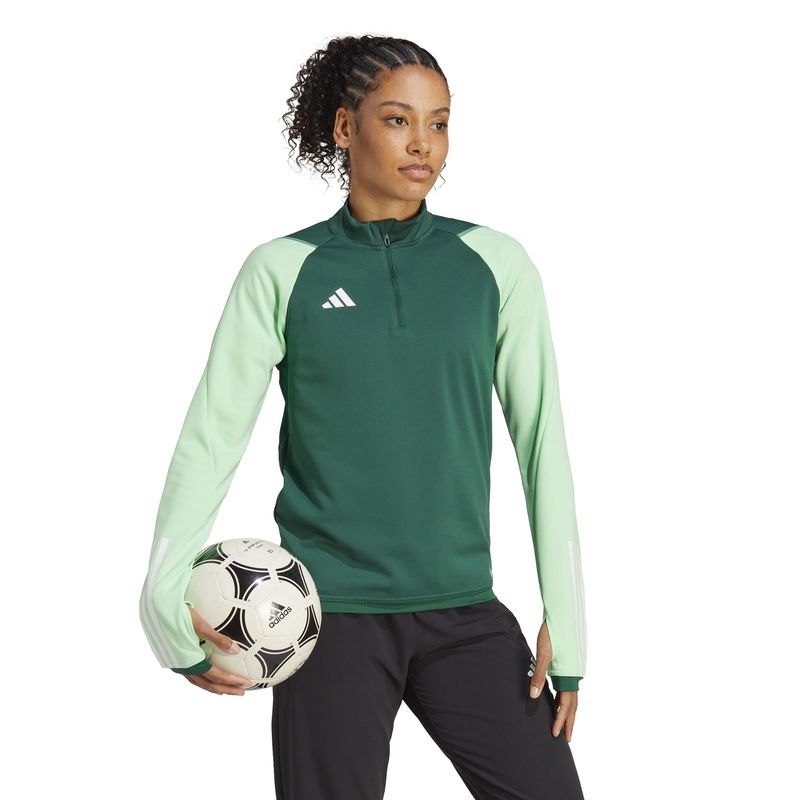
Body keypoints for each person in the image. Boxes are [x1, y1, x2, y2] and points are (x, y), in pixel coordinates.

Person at [139, 34, 588, 800]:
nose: (423, 144)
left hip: (465, 614)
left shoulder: (495, 264)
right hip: (326, 622)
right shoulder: (282, 269)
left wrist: (567, 621)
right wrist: (162, 601)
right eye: (397, 119)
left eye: (439, 123)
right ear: (345, 128)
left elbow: (541, 440)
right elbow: (211, 439)